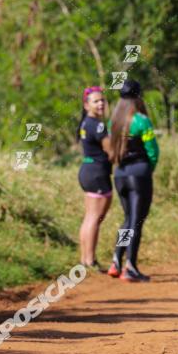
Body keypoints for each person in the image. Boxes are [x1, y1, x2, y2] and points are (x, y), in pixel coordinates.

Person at [108, 79, 159, 282]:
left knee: (129, 218)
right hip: (139, 175)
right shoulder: (141, 121)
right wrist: (148, 169)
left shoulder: (113, 121)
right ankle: (130, 267)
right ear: (138, 97)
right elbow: (152, 151)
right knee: (136, 220)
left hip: (119, 175)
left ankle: (116, 261)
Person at [77, 86, 112, 271]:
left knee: (90, 217)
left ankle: (85, 259)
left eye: (102, 100)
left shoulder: (85, 123)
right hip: (97, 173)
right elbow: (111, 150)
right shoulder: (97, 125)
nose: (100, 104)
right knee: (94, 218)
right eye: (95, 101)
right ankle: (90, 261)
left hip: (88, 170)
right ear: (86, 105)